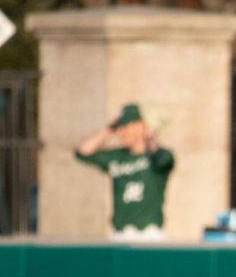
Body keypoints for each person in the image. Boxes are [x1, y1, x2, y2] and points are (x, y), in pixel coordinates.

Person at [74, 103, 173, 241]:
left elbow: (166, 160)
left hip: (149, 235)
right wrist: (109, 129)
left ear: (140, 126)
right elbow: (82, 152)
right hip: (120, 234)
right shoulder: (117, 156)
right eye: (118, 128)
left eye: (125, 127)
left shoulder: (156, 157)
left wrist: (149, 136)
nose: (120, 133)